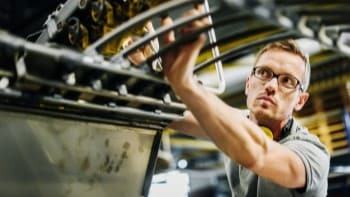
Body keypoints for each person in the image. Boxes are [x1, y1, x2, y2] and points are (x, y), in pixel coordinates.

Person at [159, 5, 330, 197]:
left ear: (300, 101)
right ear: (248, 84)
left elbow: (258, 154)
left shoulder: (313, 153)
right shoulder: (239, 122)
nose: (271, 85)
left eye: (287, 81)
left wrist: (185, 84)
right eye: (264, 73)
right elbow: (173, 116)